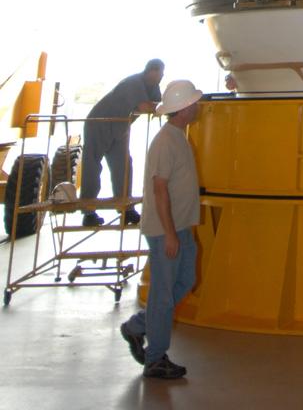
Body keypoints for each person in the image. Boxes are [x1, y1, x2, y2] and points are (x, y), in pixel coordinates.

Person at [119, 78, 203, 381]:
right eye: (193, 103)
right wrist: (169, 233)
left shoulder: (179, 135)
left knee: (185, 281)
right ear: (182, 109)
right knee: (164, 295)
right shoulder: (166, 141)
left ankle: (138, 326)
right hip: (166, 230)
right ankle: (155, 359)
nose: (197, 106)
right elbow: (159, 189)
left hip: (181, 227)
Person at [80, 59, 164, 227]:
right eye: (159, 74)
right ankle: (88, 211)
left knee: (123, 165)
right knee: (93, 165)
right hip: (100, 122)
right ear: (151, 71)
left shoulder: (153, 86)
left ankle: (126, 207)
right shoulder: (134, 82)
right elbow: (146, 106)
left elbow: (158, 104)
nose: (161, 77)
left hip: (120, 125)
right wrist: (165, 107)